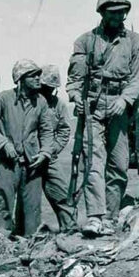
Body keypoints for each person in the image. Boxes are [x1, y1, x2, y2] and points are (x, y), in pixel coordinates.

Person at [67, 0, 139, 236]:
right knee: (93, 162)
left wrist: (125, 100)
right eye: (113, 13)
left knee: (119, 164)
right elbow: (74, 78)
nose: (118, 17)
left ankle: (112, 216)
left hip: (120, 107)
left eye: (122, 13)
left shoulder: (134, 41)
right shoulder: (85, 41)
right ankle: (95, 216)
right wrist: (74, 95)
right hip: (93, 106)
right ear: (102, 12)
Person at [0, 59, 54, 236]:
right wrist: (3, 143)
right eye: (33, 75)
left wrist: (45, 152)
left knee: (32, 207)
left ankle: (30, 243)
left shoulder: (41, 102)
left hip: (32, 162)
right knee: (3, 202)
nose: (38, 78)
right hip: (6, 162)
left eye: (39, 75)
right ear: (21, 78)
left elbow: (46, 131)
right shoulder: (3, 99)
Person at [39, 65, 77, 231]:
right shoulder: (30, 103)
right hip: (28, 156)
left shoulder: (58, 105)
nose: (48, 91)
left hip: (50, 157)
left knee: (61, 192)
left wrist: (52, 150)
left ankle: (70, 228)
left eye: (51, 88)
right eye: (45, 87)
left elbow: (64, 130)